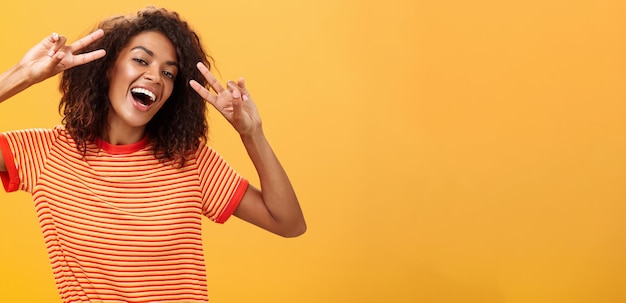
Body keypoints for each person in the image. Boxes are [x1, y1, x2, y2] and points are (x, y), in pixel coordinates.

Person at [0, 6, 305, 303]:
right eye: (141, 60)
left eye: (168, 74)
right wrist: (23, 75)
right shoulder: (45, 154)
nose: (155, 78)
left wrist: (252, 133)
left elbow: (288, 223)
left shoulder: (190, 160)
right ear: (108, 69)